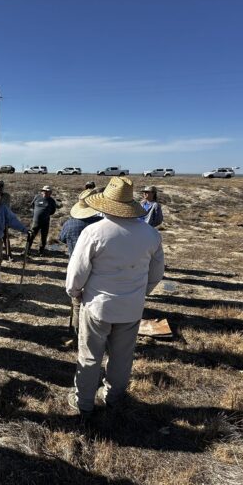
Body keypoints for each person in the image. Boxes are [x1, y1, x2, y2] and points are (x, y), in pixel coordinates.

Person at [65, 177, 164, 418]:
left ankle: (84, 402)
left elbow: (77, 273)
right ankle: (113, 397)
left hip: (97, 306)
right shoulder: (150, 234)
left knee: (90, 356)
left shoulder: (94, 232)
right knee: (122, 357)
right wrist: (140, 293)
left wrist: (75, 292)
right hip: (131, 308)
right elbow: (156, 274)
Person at [59, 188, 103, 336]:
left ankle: (77, 336)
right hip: (97, 269)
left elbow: (62, 239)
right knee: (94, 303)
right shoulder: (101, 224)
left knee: (77, 302)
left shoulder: (69, 224)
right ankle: (91, 334)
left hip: (75, 267)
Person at [27, 185, 58, 255]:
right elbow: (33, 205)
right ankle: (27, 250)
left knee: (43, 237)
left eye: (47, 191)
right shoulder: (37, 197)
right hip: (35, 221)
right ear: (42, 191)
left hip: (45, 222)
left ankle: (41, 251)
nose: (45, 192)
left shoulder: (52, 201)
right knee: (31, 235)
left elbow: (53, 211)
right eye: (44, 191)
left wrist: (45, 214)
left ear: (50, 193)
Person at [0, 180, 15, 261]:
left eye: (1, 186)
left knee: (6, 237)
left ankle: (9, 254)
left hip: (3, 219)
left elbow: (7, 208)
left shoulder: (6, 196)